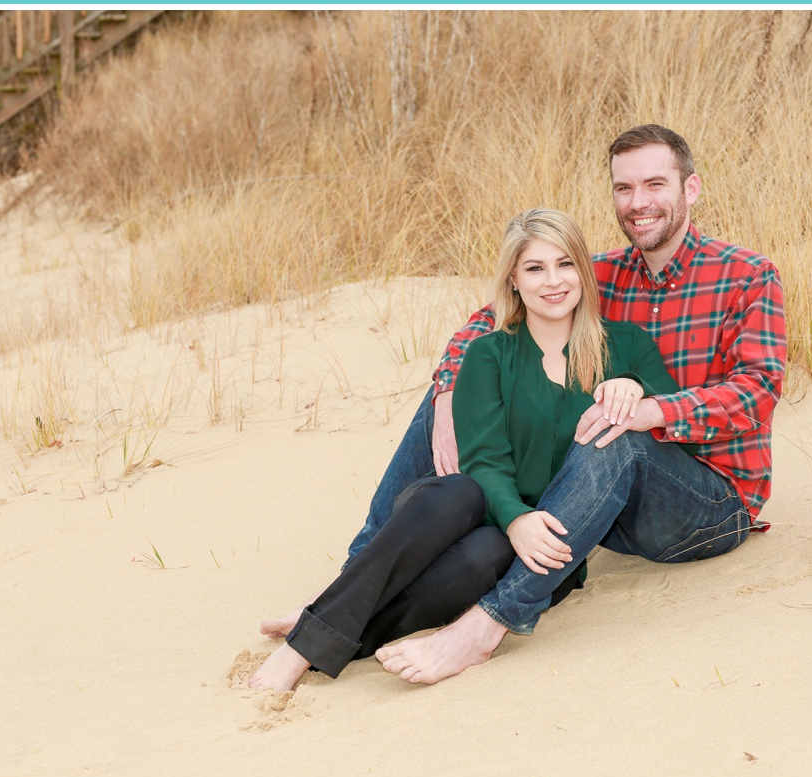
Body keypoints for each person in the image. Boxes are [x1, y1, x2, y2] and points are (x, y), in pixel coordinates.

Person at [370, 125, 787, 685]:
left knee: (620, 432)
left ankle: (486, 626)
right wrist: (448, 391)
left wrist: (655, 410)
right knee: (464, 382)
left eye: (655, 184)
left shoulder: (747, 276)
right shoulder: (596, 274)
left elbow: (758, 390)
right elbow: (484, 327)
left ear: (692, 189)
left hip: (710, 502)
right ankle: (356, 576)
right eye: (623, 188)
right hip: (598, 495)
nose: (637, 203)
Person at [248, 208, 683, 691]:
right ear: (514, 280)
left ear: (584, 269)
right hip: (466, 512)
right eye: (535, 269)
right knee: (456, 492)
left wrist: (634, 386)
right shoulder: (488, 353)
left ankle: (331, 630)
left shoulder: (628, 345)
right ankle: (302, 647)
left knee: (484, 555)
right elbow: (485, 461)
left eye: (566, 264)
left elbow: (667, 413)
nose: (553, 281)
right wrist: (515, 517)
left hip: (547, 543)